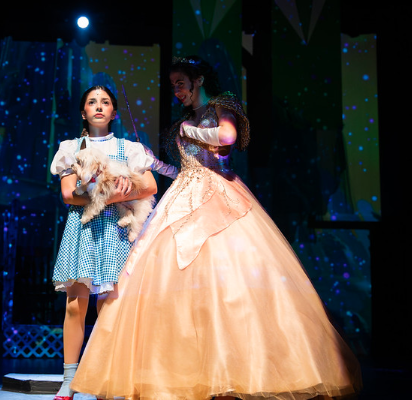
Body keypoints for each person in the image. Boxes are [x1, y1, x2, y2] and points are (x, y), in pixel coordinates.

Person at [70, 56, 362, 399]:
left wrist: (189, 131)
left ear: (198, 80)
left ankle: (239, 370)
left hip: (219, 192)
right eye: (173, 85)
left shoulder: (222, 106)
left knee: (228, 277)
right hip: (183, 195)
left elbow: (226, 136)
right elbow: (182, 169)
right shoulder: (185, 120)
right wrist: (154, 162)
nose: (176, 91)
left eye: (180, 83)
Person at [49, 85, 158, 400]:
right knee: (75, 304)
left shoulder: (129, 148)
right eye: (92, 102)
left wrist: (121, 193)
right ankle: (69, 378)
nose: (99, 106)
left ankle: (104, 377)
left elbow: (150, 186)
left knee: (109, 306)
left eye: (105, 102)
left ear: (114, 112)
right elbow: (69, 194)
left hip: (115, 231)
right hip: (83, 229)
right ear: (83, 112)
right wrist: (110, 196)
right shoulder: (71, 147)